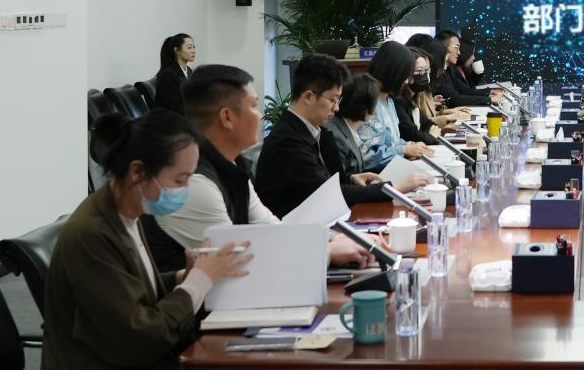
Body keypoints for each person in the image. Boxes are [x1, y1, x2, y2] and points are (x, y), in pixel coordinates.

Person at [146, 65, 411, 271]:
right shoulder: (194, 183)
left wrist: (334, 241)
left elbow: (271, 228)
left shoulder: (233, 165)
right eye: (253, 106)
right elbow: (235, 263)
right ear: (227, 117)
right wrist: (326, 251)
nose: (261, 115)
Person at [42, 110, 251, 369]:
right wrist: (198, 282)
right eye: (180, 179)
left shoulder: (126, 211)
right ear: (138, 172)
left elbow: (129, 285)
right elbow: (141, 338)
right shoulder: (91, 235)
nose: (186, 190)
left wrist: (183, 277)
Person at [255, 54, 413, 218]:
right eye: (333, 100)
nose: (336, 108)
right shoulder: (287, 141)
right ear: (309, 97)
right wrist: (392, 187)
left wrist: (351, 179)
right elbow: (327, 195)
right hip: (298, 227)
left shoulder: (313, 130)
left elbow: (323, 182)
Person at [357, 42, 433, 170]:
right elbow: (367, 157)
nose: (408, 81)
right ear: (393, 73)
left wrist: (411, 146)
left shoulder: (389, 100)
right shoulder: (367, 101)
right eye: (405, 76)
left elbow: (394, 142)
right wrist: (404, 150)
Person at [434, 29, 499, 107]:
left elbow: (465, 90)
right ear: (444, 48)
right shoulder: (436, 73)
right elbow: (454, 99)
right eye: (456, 47)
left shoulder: (449, 70)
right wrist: (490, 99)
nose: (459, 53)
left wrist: (489, 93)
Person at [153, 33, 196, 114]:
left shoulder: (189, 70)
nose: (193, 51)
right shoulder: (168, 75)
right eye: (189, 47)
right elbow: (177, 109)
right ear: (177, 50)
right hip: (167, 119)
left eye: (194, 47)